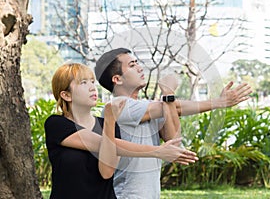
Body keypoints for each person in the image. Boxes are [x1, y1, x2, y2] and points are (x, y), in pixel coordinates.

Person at [95, 48, 252, 199]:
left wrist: (168, 98)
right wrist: (217, 102)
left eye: (137, 62)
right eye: (132, 65)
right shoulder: (118, 106)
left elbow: (174, 141)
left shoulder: (148, 106)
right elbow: (173, 106)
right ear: (117, 79)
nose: (139, 68)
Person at [44, 63, 198, 199]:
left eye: (92, 81)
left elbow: (107, 172)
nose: (92, 87)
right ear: (66, 95)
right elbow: (101, 143)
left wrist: (110, 122)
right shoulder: (57, 124)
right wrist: (156, 151)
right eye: (83, 83)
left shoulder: (107, 124)